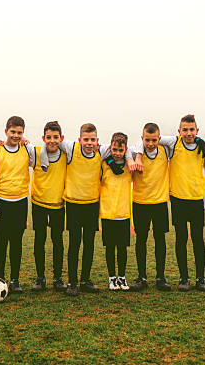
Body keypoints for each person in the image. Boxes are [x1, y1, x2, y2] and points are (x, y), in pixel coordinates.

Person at [135, 114, 205, 291]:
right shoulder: (174, 143)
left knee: (198, 239)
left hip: (196, 200)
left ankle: (200, 278)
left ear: (197, 130)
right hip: (178, 199)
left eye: (192, 129)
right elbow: (149, 139)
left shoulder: (203, 148)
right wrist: (139, 155)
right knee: (181, 239)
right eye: (184, 129)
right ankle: (184, 278)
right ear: (179, 131)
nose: (188, 133)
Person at [59, 123, 136, 296]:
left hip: (92, 204)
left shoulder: (101, 151)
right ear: (79, 140)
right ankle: (72, 282)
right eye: (85, 139)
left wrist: (130, 159)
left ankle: (85, 280)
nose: (89, 143)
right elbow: (54, 141)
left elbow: (126, 148)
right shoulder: (71, 148)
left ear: (97, 141)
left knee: (89, 243)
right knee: (74, 243)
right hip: (73, 204)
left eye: (92, 140)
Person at [0, 116, 42, 293]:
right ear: (6, 131)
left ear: (23, 133)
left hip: (20, 203)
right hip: (2, 202)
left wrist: (29, 144)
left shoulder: (26, 149)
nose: (16, 135)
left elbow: (35, 161)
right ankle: (1, 278)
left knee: (16, 242)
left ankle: (15, 280)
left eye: (19, 132)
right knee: (1, 241)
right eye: (13, 132)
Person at [129, 123, 172, 292]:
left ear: (159, 139)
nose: (151, 144)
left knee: (160, 240)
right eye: (147, 140)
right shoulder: (134, 152)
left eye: (154, 140)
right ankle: (141, 277)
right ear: (142, 139)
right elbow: (125, 152)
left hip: (160, 202)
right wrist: (137, 155)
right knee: (141, 240)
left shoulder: (165, 151)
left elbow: (180, 140)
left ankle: (160, 277)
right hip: (140, 202)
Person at [31, 121, 67, 291]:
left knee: (57, 241)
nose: (52, 140)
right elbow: (20, 147)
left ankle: (58, 277)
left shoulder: (67, 155)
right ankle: (40, 278)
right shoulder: (36, 153)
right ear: (43, 138)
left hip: (58, 204)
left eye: (55, 137)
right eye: (49, 137)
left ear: (61, 138)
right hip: (38, 203)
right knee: (39, 240)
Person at [100, 132, 132, 291]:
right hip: (107, 214)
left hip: (123, 214)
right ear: (110, 147)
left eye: (121, 150)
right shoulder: (104, 164)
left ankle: (123, 277)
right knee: (110, 247)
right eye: (114, 149)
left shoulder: (129, 165)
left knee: (122, 248)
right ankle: (112, 278)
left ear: (125, 150)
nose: (117, 153)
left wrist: (131, 158)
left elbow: (135, 151)